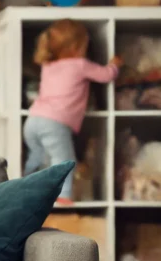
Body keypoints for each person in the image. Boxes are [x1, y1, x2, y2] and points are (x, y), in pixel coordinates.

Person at [26, 19, 122, 205]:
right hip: (54, 122)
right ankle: (64, 195)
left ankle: (26, 188)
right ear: (77, 46)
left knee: (39, 159)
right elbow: (106, 75)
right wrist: (115, 65)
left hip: (33, 120)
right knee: (65, 160)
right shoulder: (80, 64)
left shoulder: (47, 65)